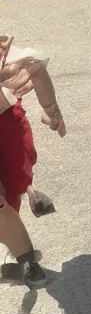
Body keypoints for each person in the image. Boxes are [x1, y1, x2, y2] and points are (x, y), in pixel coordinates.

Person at [0, 35, 66, 288]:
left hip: (7, 121)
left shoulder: (12, 59)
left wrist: (52, 114)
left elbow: (34, 66)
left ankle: (24, 196)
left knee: (16, 178)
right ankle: (21, 255)